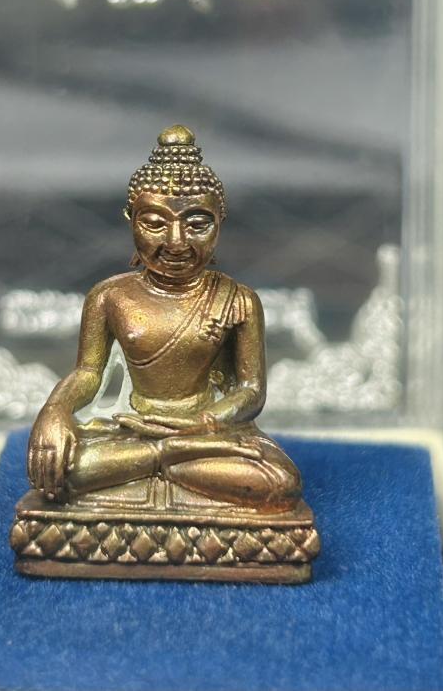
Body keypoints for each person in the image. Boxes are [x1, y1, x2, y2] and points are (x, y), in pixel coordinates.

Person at [27, 124, 301, 512]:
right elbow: (88, 372)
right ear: (131, 220)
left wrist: (205, 422)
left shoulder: (238, 300)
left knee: (281, 483)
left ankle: (157, 460)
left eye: (197, 224)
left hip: (205, 435)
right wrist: (54, 410)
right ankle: (165, 458)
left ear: (219, 222)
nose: (175, 242)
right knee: (57, 471)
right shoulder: (109, 296)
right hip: (133, 430)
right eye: (155, 223)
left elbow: (251, 389)